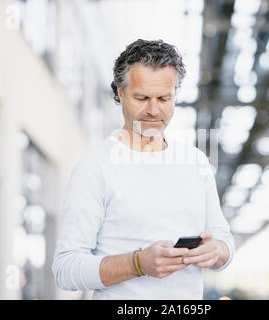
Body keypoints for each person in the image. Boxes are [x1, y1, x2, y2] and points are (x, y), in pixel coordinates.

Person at [52, 39, 235, 300]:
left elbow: (224, 240)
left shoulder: (196, 162)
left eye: (164, 98)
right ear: (120, 93)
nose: (153, 110)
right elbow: (65, 269)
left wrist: (216, 251)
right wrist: (137, 264)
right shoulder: (95, 166)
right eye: (141, 97)